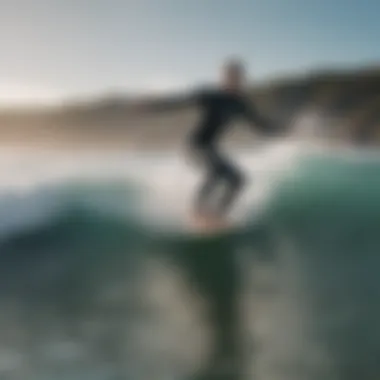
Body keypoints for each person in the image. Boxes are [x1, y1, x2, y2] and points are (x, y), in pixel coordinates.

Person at [186, 59, 276, 225]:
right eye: (231, 76)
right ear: (224, 78)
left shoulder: (240, 104)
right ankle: (197, 210)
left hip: (211, 147)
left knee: (238, 180)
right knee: (216, 172)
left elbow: (258, 124)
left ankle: (219, 215)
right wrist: (151, 106)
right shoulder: (211, 96)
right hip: (196, 146)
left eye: (239, 77)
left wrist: (280, 130)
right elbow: (179, 101)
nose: (236, 80)